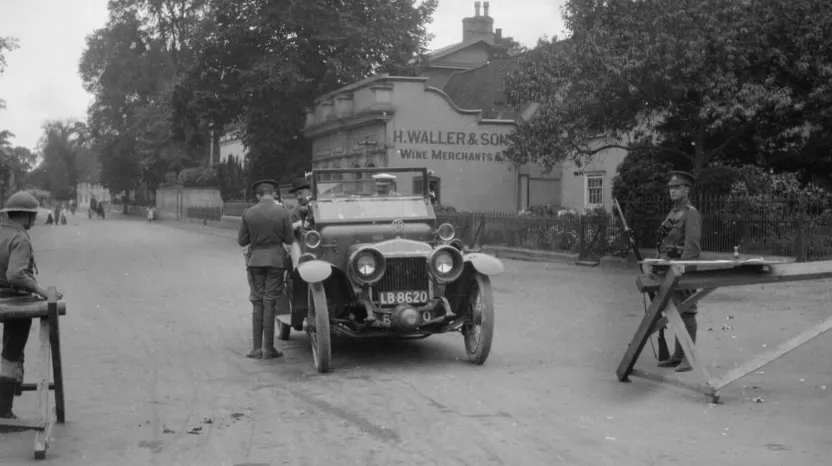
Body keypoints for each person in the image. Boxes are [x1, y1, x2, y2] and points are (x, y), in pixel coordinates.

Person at [0, 191, 63, 431]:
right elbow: (15, 274)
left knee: (9, 351)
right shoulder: (21, 238)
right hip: (14, 300)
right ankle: (3, 412)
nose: (34, 220)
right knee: (11, 352)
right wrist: (41, 290)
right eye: (32, 216)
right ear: (24, 216)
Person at [237, 179, 297, 359]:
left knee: (257, 301)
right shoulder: (283, 212)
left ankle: (256, 349)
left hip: (255, 262)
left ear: (258, 195)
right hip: (276, 261)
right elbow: (289, 239)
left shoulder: (248, 213)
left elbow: (242, 241)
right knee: (270, 302)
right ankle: (268, 348)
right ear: (274, 194)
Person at [655, 170, 702, 373]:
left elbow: (691, 247)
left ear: (686, 189)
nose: (672, 191)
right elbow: (665, 242)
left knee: (687, 312)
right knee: (675, 312)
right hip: (668, 269)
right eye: (671, 188)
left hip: (682, 271)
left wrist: (681, 270)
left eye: (677, 187)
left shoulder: (691, 213)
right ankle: (677, 355)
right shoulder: (673, 214)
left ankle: (689, 359)